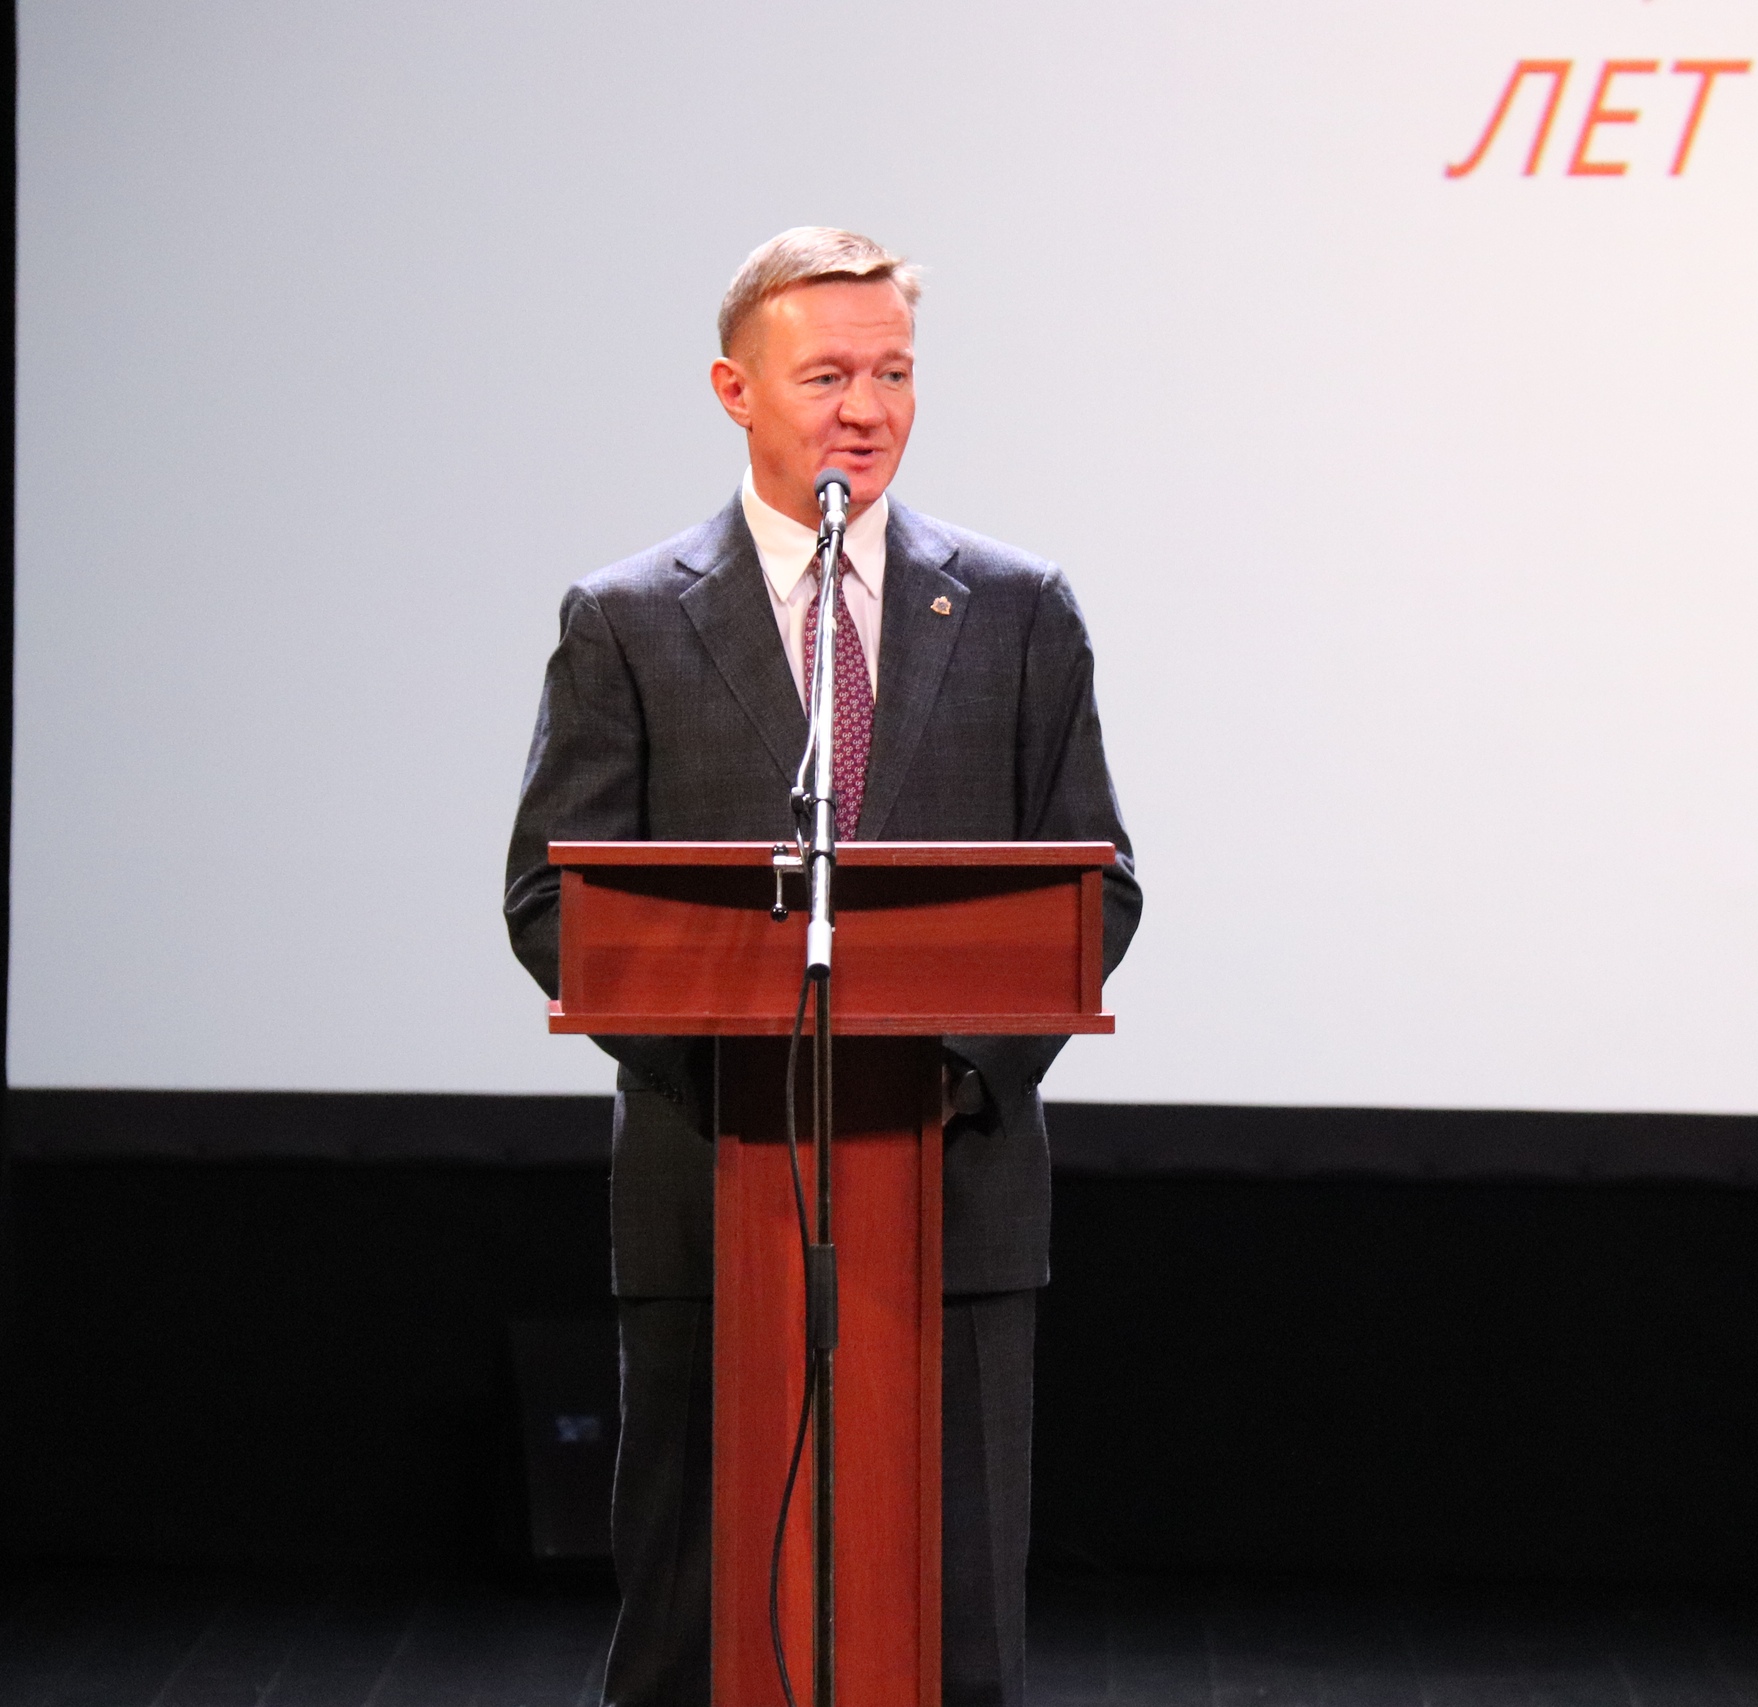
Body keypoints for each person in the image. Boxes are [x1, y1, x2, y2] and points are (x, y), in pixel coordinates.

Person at [503, 227, 1141, 1707]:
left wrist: (948, 1079)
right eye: (829, 376)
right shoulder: (628, 619)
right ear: (735, 390)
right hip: (710, 1182)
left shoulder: (1019, 608)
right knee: (695, 1621)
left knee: (949, 1626)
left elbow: (1094, 887)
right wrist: (741, 1081)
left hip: (951, 1189)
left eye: (894, 374)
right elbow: (554, 897)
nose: (867, 409)